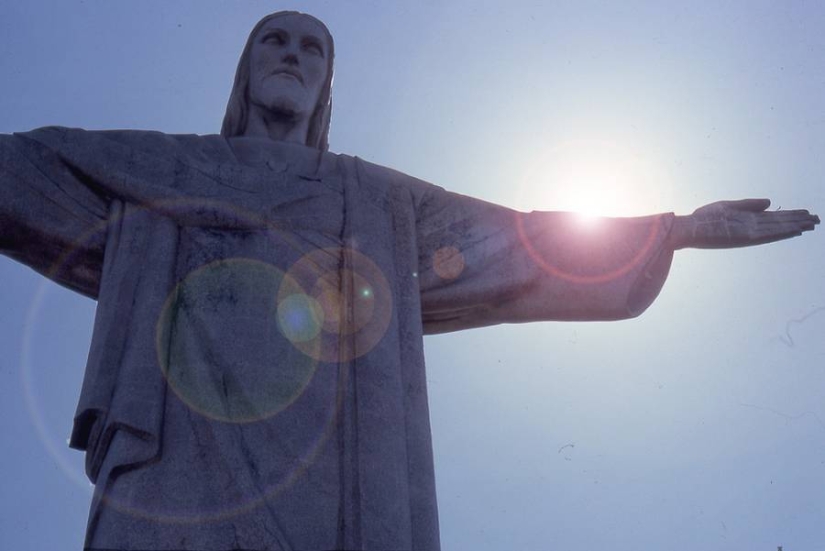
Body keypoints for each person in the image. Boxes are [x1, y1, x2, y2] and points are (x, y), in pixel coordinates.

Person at [0, 10, 818, 551]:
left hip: (335, 472)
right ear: (244, 70)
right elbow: (18, 172)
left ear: (327, 86)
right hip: (176, 459)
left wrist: (669, 229)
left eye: (310, 46)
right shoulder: (158, 167)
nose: (291, 54)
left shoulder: (375, 200)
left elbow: (519, 243)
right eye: (273, 40)